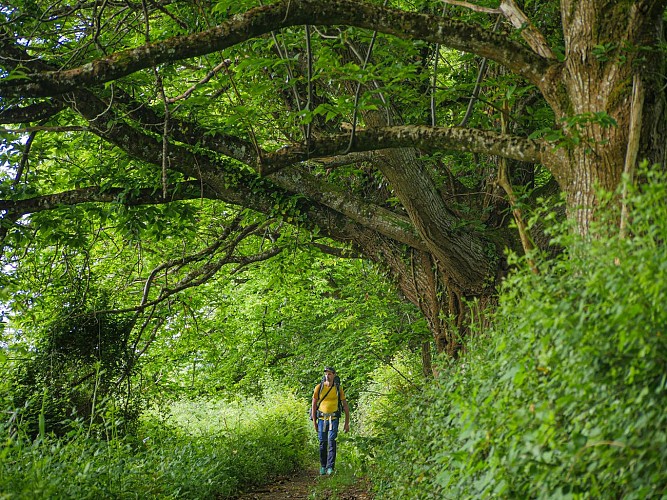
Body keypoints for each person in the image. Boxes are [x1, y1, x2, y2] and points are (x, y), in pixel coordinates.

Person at [311, 366, 350, 475]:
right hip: (322, 419)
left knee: (332, 442)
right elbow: (314, 406)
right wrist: (314, 422)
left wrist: (347, 423)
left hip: (333, 419)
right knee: (323, 443)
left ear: (334, 375)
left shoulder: (338, 389)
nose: (327, 376)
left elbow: (345, 405)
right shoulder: (319, 388)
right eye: (326, 374)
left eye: (329, 374)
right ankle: (323, 466)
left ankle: (330, 467)